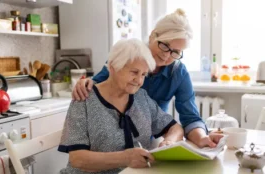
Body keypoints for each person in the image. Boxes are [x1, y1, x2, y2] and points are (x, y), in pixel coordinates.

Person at [71, 9, 223, 148]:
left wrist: (203, 138)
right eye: (164, 45)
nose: (166, 55)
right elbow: (98, 85)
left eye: (175, 52)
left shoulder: (178, 73)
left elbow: (190, 118)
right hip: (110, 142)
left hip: (146, 142)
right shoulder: (128, 56)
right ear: (152, 36)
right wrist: (86, 83)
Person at [58, 39, 184, 174]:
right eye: (134, 72)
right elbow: (77, 159)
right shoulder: (84, 98)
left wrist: (169, 142)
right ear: (113, 67)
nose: (139, 81)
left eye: (143, 74)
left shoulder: (142, 97)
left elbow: (175, 128)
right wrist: (126, 158)